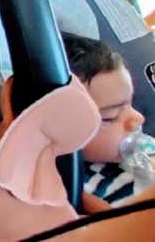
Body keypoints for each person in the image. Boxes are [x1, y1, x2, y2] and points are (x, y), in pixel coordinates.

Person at [62, 33, 153, 207]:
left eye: (130, 104)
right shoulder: (81, 187)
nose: (137, 118)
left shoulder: (144, 147)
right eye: (110, 117)